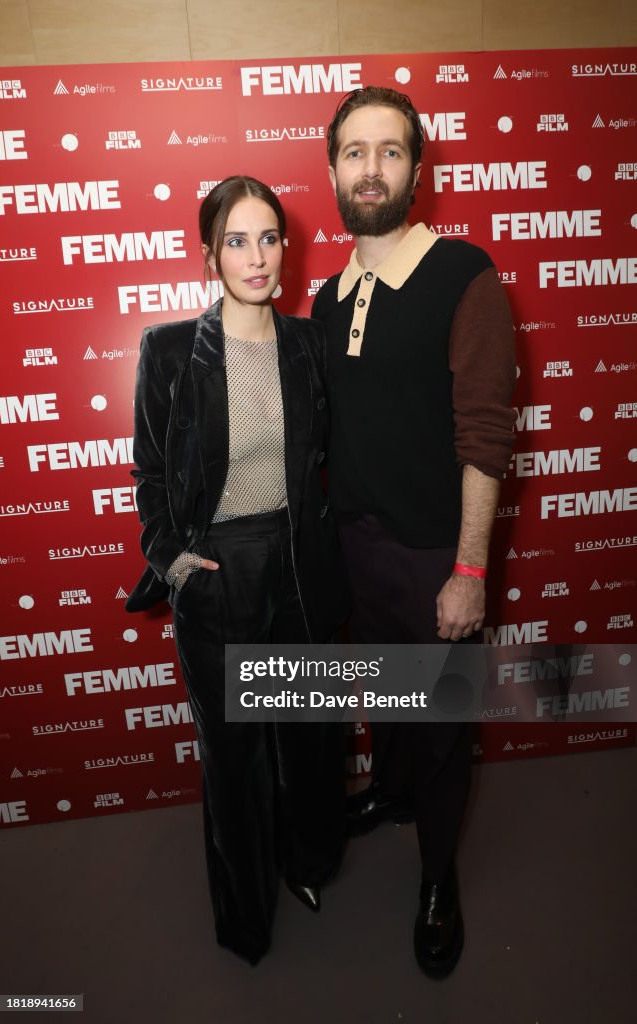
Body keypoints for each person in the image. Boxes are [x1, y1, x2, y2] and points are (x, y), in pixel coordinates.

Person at [311, 87, 516, 977]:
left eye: (389, 152)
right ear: (331, 169)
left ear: (417, 170)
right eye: (354, 152)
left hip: (437, 551)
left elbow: (483, 436)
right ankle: (389, 792)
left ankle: (439, 880)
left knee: (442, 729)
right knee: (387, 705)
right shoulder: (328, 294)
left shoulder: (465, 275)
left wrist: (470, 568)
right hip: (356, 549)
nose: (370, 169)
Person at [126, 175, 349, 966]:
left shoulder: (308, 342)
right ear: (210, 253)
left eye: (269, 237)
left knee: (309, 737)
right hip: (219, 573)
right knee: (235, 758)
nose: (256, 257)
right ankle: (246, 915)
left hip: (296, 565)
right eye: (237, 240)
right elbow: (149, 472)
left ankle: (310, 863)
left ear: (287, 249)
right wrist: (172, 560)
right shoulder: (170, 351)